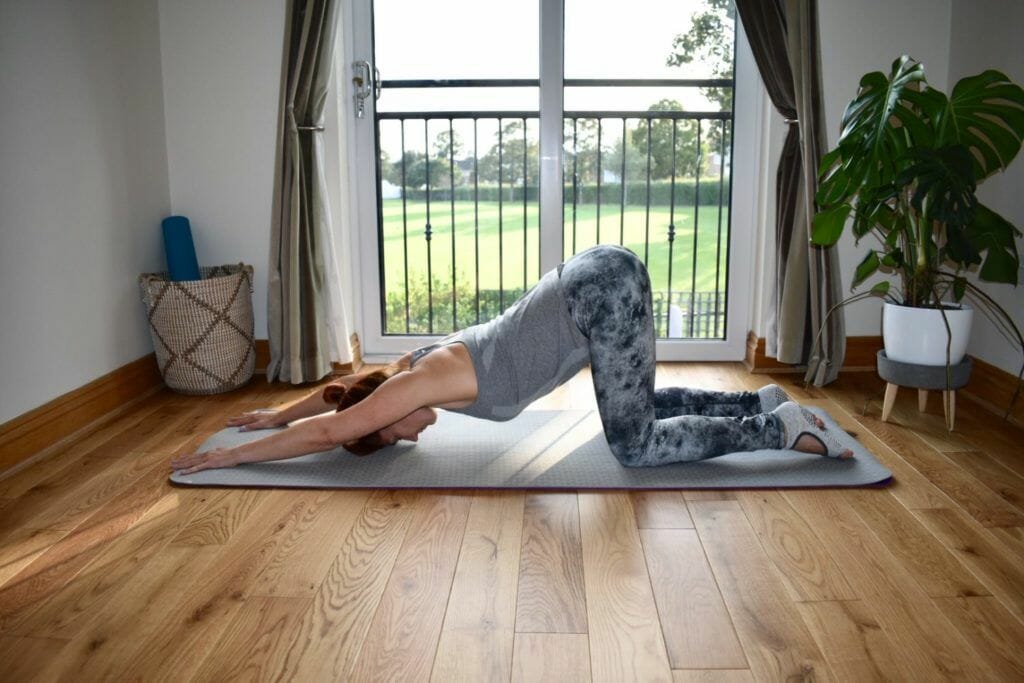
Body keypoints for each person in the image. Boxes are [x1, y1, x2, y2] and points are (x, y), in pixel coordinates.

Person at [171, 245, 852, 475]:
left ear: (383, 423)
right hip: (595, 275)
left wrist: (228, 457)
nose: (412, 436)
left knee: (634, 446)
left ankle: (780, 433)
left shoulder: (413, 385)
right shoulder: (411, 364)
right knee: (632, 407)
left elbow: (334, 426)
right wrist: (269, 414)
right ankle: (757, 403)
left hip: (596, 294)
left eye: (391, 437)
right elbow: (339, 395)